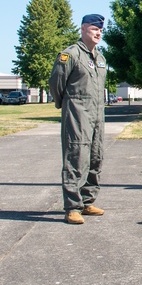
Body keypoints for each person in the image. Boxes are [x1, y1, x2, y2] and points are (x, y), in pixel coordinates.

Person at [49, 13, 108, 225]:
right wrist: (66, 106)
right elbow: (56, 84)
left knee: (95, 157)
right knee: (76, 157)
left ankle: (87, 201)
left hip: (97, 115)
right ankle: (72, 207)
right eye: (94, 29)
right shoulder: (70, 55)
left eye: (100, 30)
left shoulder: (100, 58)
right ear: (83, 29)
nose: (98, 33)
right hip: (77, 113)